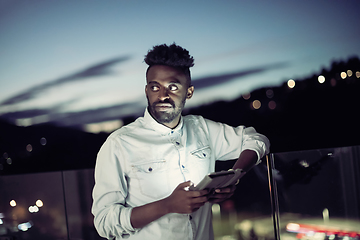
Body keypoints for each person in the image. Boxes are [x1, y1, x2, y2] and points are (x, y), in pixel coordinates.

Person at [91, 43, 270, 240]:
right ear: (146, 91)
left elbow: (256, 140)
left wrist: (231, 178)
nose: (163, 95)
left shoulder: (203, 129)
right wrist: (166, 205)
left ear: (189, 92)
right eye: (155, 87)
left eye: (173, 87)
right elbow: (104, 222)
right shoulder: (119, 144)